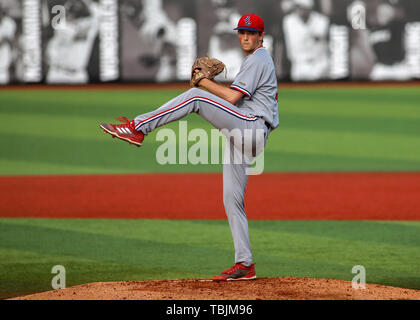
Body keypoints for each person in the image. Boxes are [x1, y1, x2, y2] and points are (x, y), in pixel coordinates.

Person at [100, 14, 279, 281]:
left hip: (251, 128)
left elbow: (231, 97)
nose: (245, 37)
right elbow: (234, 101)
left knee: (196, 96)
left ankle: (137, 128)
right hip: (243, 131)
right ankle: (245, 263)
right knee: (232, 198)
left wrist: (204, 83)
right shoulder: (253, 60)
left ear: (261, 36)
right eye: (242, 32)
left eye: (251, 33)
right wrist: (210, 85)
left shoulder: (258, 59)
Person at [283, 0, 330, 81]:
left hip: (318, 65)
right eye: (298, 7)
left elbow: (317, 37)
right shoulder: (288, 21)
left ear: (309, 7)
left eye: (302, 7)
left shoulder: (321, 20)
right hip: (298, 65)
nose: (300, 10)